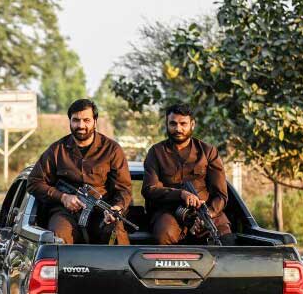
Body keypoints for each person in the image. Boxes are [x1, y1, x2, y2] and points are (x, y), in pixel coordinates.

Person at [27, 99, 132, 245]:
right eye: (76, 120)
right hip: (65, 212)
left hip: (101, 212)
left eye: (86, 120)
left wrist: (117, 208)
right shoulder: (57, 150)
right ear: (70, 121)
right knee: (58, 237)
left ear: (95, 121)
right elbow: (33, 183)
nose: (81, 125)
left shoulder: (112, 150)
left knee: (116, 233)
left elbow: (124, 189)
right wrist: (63, 197)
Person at [142, 103, 231, 245]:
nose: (178, 129)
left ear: (192, 124)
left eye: (183, 124)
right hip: (168, 212)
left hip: (205, 212)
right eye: (173, 124)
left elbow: (221, 194)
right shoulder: (156, 152)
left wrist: (208, 214)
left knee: (224, 238)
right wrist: (181, 194)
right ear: (167, 124)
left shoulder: (208, 152)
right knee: (164, 234)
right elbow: (149, 189)